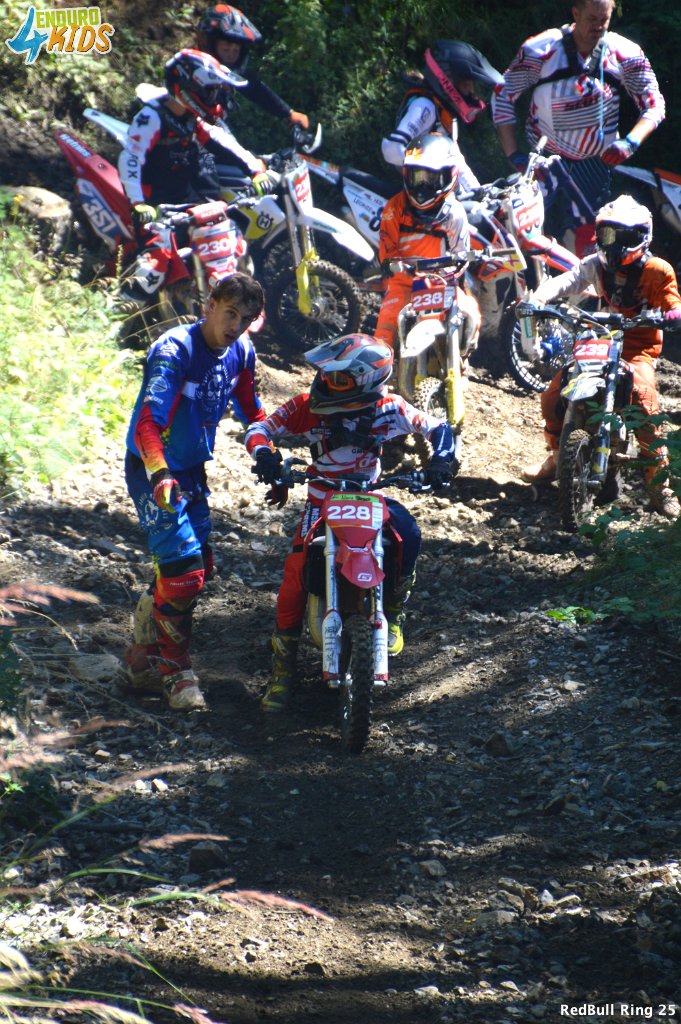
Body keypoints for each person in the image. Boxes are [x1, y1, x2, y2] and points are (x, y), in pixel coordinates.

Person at [244, 333, 456, 712]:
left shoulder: (388, 408)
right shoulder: (307, 406)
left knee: (408, 534)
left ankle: (393, 610)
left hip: (368, 496)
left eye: (339, 379)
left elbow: (438, 427)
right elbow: (260, 428)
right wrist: (265, 456)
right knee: (294, 575)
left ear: (367, 381)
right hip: (321, 500)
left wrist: (441, 461)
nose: (327, 382)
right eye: (327, 375)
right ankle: (283, 670)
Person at [123, 273, 266, 710]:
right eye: (230, 314)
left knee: (193, 566)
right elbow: (148, 423)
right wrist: (160, 473)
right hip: (153, 469)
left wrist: (267, 451)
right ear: (209, 305)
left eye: (246, 319)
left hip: (191, 471)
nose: (236, 326)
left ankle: (139, 661)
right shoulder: (174, 350)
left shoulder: (242, 352)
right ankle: (176, 674)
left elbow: (251, 410)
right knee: (184, 573)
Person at [520, 194, 681, 518]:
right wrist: (538, 299)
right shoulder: (595, 264)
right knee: (552, 395)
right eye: (607, 234)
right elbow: (569, 280)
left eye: (621, 236)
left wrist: (672, 314)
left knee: (645, 404)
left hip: (637, 348)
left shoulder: (658, 270)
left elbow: (672, 301)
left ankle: (659, 485)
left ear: (641, 236)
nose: (613, 243)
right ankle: (557, 455)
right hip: (600, 338)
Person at [492, 0, 665, 253]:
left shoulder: (625, 53)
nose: (598, 26)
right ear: (576, 13)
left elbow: (655, 104)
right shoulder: (541, 49)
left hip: (595, 164)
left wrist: (630, 142)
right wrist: (513, 154)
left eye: (604, 20)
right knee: (526, 236)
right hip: (545, 162)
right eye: (592, 19)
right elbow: (502, 95)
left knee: (590, 245)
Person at [117, 48, 275, 309]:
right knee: (153, 268)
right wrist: (138, 204)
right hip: (152, 205)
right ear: (188, 87)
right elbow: (131, 159)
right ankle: (116, 313)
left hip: (184, 198)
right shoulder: (151, 117)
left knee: (228, 238)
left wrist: (255, 170)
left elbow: (221, 141)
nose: (214, 99)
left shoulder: (192, 118)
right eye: (209, 92)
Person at [375, 131, 480, 356]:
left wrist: (457, 269)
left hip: (442, 283)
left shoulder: (455, 214)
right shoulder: (395, 208)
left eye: (430, 179)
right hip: (404, 283)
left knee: (470, 313)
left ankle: (461, 359)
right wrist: (391, 264)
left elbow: (461, 254)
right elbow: (386, 247)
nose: (422, 187)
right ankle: (381, 370)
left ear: (448, 175)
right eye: (417, 177)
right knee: (386, 325)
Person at [382, 39, 504, 194]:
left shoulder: (444, 114)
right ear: (448, 82)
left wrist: (477, 192)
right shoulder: (425, 107)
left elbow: (455, 159)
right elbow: (392, 149)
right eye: (466, 85)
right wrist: (431, 174)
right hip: (420, 196)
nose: (471, 92)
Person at [196, 4, 309, 130]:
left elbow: (254, 88)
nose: (231, 56)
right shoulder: (193, 71)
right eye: (226, 49)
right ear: (209, 44)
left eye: (236, 51)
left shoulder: (228, 77)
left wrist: (288, 113)